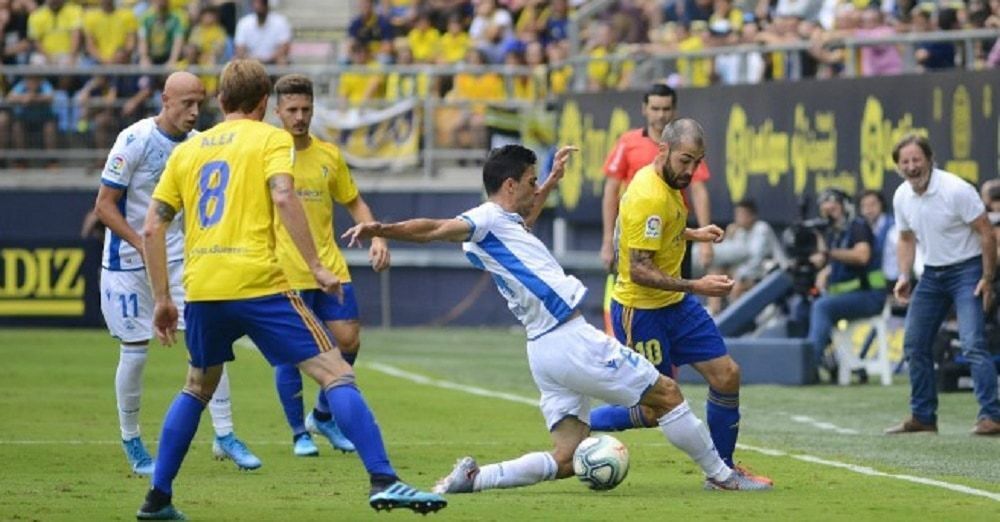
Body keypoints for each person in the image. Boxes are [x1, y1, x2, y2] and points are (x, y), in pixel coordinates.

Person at [342, 142, 772, 496]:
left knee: (567, 458)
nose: (535, 188)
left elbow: (523, 217)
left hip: (543, 351)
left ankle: (475, 478)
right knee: (668, 394)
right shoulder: (485, 218)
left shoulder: (503, 224)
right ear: (509, 185)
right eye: (531, 181)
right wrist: (381, 229)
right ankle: (723, 475)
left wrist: (549, 182)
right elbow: (434, 228)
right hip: (569, 339)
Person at [136, 59, 446, 519]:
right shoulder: (272, 139)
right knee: (336, 373)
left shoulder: (188, 151)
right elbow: (283, 195)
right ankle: (384, 479)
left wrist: (163, 298)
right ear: (265, 103)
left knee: (196, 388)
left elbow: (151, 228)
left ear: (220, 100)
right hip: (258, 283)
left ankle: (157, 498)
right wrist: (317, 265)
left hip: (202, 288)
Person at [587, 119, 771, 485]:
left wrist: (693, 233)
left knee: (727, 375)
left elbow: (659, 229)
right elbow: (639, 270)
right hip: (641, 311)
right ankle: (579, 421)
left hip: (675, 304)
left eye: (697, 162)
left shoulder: (668, 184)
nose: (690, 170)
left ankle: (723, 471)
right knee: (654, 410)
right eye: (685, 160)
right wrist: (698, 285)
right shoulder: (648, 195)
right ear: (664, 150)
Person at [94, 71, 260, 478]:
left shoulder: (199, 144)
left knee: (208, 343)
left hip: (182, 263)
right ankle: (132, 439)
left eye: (200, 103)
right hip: (128, 265)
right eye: (186, 103)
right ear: (165, 100)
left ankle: (225, 434)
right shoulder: (134, 140)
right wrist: (140, 242)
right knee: (135, 351)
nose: (194, 111)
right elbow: (104, 205)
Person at [270, 73, 390, 457]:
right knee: (290, 353)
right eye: (292, 109)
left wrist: (377, 237)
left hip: (329, 266)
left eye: (305, 109)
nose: (299, 117)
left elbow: (354, 202)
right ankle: (298, 434)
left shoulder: (328, 155)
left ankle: (322, 415)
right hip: (284, 269)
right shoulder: (267, 154)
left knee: (349, 340)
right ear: (278, 111)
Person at [884, 134, 1000, 436]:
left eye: (916, 160)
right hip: (932, 274)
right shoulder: (901, 196)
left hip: (968, 270)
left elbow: (987, 233)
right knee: (914, 344)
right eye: (905, 162)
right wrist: (904, 276)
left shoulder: (956, 189)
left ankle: (992, 416)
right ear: (898, 166)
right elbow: (906, 238)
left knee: (972, 343)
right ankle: (923, 417)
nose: (912, 167)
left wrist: (988, 278)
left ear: (930, 159)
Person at [600, 83, 712, 331]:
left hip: (672, 231)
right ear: (645, 109)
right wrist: (608, 239)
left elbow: (698, 189)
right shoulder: (628, 142)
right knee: (635, 289)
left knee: (674, 296)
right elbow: (611, 190)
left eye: (666, 109)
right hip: (637, 232)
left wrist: (703, 239)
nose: (661, 115)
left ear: (674, 110)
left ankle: (671, 343)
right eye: (655, 108)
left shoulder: (685, 146)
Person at [806, 188, 887, 377]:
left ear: (845, 207)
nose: (829, 213)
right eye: (825, 209)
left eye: (834, 208)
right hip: (845, 296)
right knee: (802, 306)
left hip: (870, 295)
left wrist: (829, 254)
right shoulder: (833, 234)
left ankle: (808, 366)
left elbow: (862, 256)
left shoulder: (858, 226)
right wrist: (824, 267)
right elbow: (827, 259)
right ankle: (824, 361)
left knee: (822, 307)